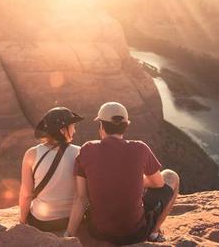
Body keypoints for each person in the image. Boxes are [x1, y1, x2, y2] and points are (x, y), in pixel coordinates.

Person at [65, 102, 180, 244]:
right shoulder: (140, 148)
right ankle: (154, 234)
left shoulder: (87, 149)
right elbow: (159, 184)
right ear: (126, 125)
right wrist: (138, 180)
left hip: (98, 232)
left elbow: (81, 198)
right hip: (134, 235)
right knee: (171, 176)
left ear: (101, 126)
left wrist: (68, 235)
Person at [19, 107, 83, 232]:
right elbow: (81, 195)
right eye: (73, 126)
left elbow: (26, 195)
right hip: (69, 219)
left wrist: (22, 221)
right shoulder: (80, 152)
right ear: (63, 130)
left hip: (42, 221)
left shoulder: (31, 154)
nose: (74, 131)